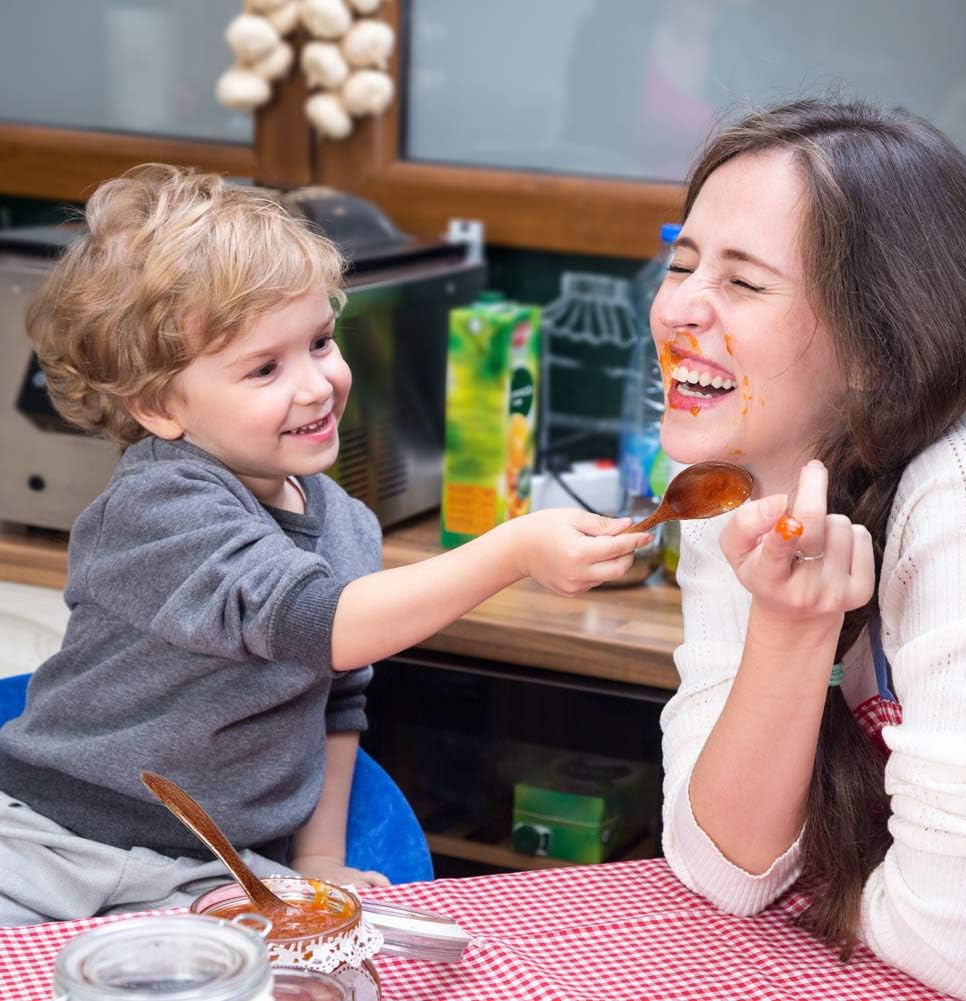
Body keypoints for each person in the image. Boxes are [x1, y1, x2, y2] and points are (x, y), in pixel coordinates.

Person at [0, 165, 650, 926]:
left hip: (218, 865)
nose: (314, 385)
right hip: (53, 841)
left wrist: (317, 861)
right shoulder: (160, 504)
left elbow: (337, 695)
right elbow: (317, 622)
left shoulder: (347, 524)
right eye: (264, 368)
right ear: (158, 406)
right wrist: (510, 552)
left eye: (319, 341)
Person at [654, 98, 966, 1001]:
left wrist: (841, 890)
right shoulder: (728, 482)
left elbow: (959, 946)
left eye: (742, 282)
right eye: (681, 263)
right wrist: (789, 629)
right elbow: (725, 868)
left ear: (877, 349)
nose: (677, 307)